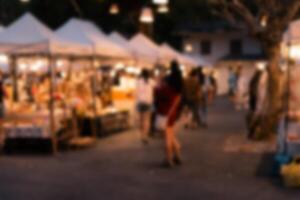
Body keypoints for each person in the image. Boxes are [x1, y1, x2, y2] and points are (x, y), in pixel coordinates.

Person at [155, 61, 183, 168]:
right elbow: (178, 101)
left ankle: (169, 159)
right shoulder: (176, 91)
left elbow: (156, 95)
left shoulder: (163, 90)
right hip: (172, 114)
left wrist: (158, 83)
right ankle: (178, 155)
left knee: (167, 137)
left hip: (164, 114)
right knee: (171, 135)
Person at [136, 69, 155, 144]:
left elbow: (136, 92)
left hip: (140, 102)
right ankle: (146, 136)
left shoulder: (138, 81)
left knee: (141, 120)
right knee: (147, 120)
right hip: (148, 103)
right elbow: (155, 90)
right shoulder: (152, 81)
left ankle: (142, 136)